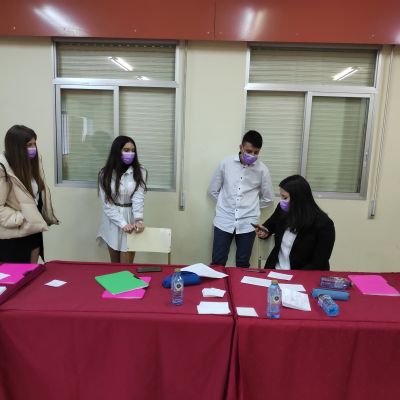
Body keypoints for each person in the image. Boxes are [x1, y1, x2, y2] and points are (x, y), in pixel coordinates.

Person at [208, 130, 273, 267]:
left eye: (256, 152)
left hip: (248, 223)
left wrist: (251, 205)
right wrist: (224, 204)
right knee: (217, 261)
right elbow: (213, 190)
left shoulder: (263, 170)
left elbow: (268, 198)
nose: (252, 155)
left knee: (243, 263)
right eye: (249, 151)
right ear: (241, 147)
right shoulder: (225, 163)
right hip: (223, 219)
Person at [0, 125, 59, 263]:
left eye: (34, 144)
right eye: (28, 145)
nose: (33, 148)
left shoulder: (30, 165)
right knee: (17, 280)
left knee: (33, 274)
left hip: (32, 231)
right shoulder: (3, 170)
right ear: (16, 148)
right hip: (14, 236)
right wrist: (20, 218)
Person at [255, 175, 335, 270]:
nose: (282, 202)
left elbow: (319, 262)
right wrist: (264, 231)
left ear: (299, 199)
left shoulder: (323, 224)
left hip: (303, 274)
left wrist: (295, 277)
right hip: (275, 270)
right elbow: (270, 225)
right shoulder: (282, 210)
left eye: (285, 198)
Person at [97, 136, 147, 263]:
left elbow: (138, 197)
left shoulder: (140, 171)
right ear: (117, 151)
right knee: (114, 264)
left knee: (127, 263)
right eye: (126, 150)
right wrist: (122, 224)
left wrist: (138, 219)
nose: (130, 153)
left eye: (132, 150)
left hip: (130, 217)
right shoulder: (105, 174)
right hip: (112, 219)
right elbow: (107, 203)